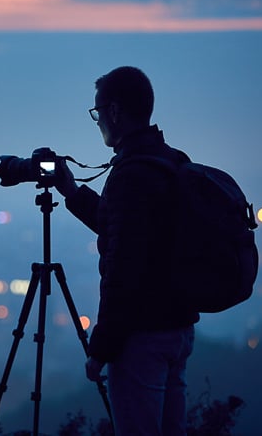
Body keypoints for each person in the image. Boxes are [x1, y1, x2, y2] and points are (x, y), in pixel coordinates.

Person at [54, 66, 200, 436]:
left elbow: (123, 269)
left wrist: (101, 348)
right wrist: (72, 192)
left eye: (98, 112)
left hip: (143, 337)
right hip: (179, 328)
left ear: (115, 112)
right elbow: (123, 228)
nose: (98, 121)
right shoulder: (171, 161)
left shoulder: (132, 174)